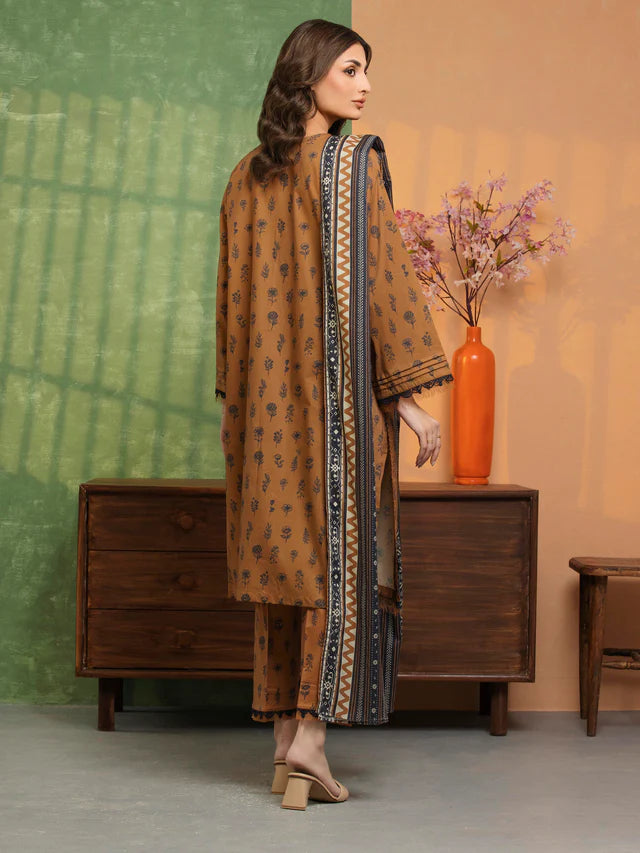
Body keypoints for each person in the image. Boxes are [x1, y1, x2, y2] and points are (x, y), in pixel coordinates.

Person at [215, 19, 453, 810]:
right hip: (335, 413)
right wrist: (413, 401)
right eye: (351, 69)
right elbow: (384, 285)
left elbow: (230, 310)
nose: (365, 85)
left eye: (366, 71)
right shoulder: (352, 168)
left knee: (287, 562)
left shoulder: (244, 176)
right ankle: (312, 739)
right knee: (333, 563)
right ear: (309, 74)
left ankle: (284, 735)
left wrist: (241, 403)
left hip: (262, 414)